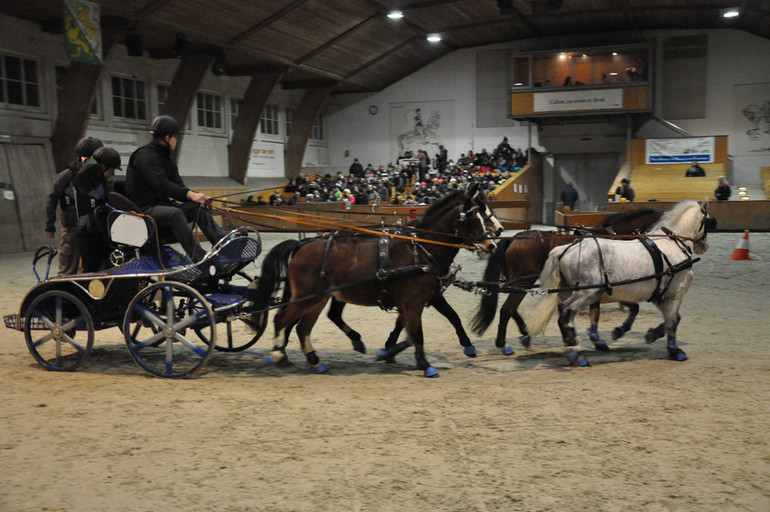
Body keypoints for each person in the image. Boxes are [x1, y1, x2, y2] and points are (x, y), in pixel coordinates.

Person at [125, 115, 225, 263]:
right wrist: (192, 194)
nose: (176, 141)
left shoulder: (168, 160)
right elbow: (161, 184)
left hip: (161, 208)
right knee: (175, 213)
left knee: (198, 207)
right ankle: (200, 258)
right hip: (143, 211)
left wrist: (200, 198)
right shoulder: (145, 156)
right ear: (167, 137)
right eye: (175, 138)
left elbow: (179, 187)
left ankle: (224, 245)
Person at [44, 136, 104, 275]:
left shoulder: (98, 175)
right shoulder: (67, 175)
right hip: (71, 224)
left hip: (92, 224)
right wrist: (49, 224)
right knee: (68, 262)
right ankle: (64, 289)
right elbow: (52, 197)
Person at [71, 147, 123, 272]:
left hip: (101, 233)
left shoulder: (101, 184)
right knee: (91, 270)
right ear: (103, 167)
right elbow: (84, 174)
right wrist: (95, 165)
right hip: (89, 234)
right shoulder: (86, 181)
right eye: (112, 169)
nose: (113, 173)